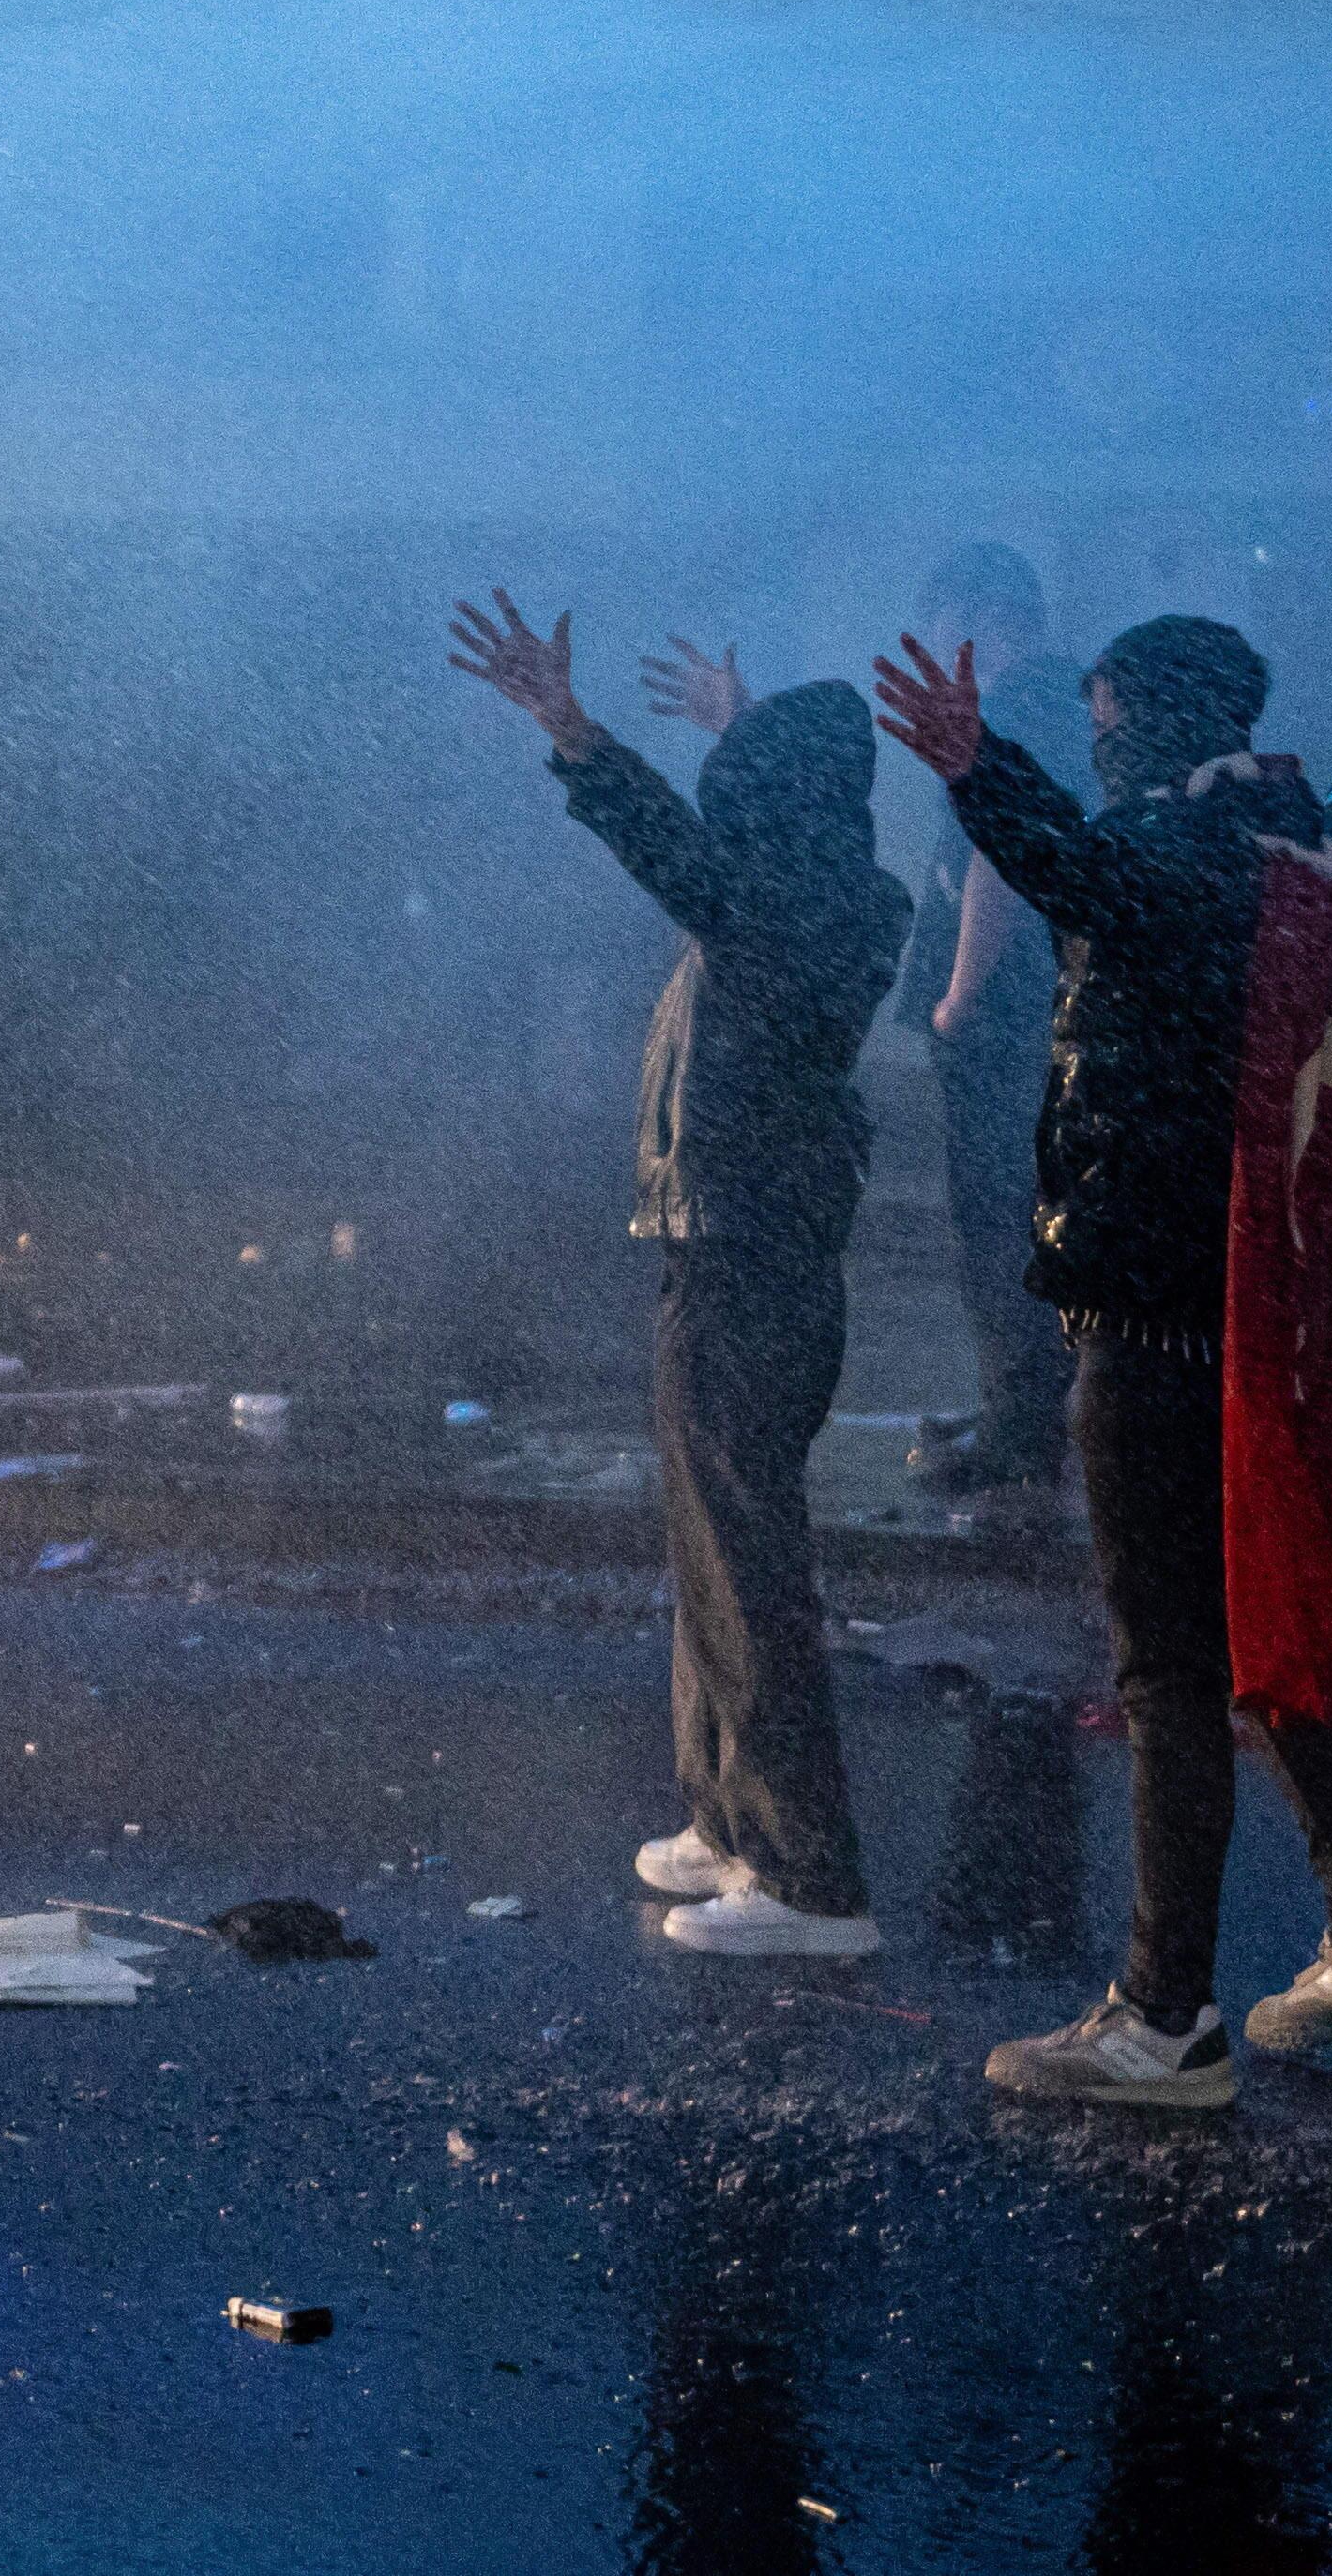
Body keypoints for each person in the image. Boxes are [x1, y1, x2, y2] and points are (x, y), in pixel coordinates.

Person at [877, 618, 1332, 2105]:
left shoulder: (1186, 855)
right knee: (1253, 1630)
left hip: (1155, 1306)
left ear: (1145, 717)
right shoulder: (1302, 839)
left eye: (1101, 719)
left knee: (1169, 1670)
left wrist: (976, 771)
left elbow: (1089, 879)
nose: (1097, 742)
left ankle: (1165, 2014)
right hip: (1262, 1298)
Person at [448, 594, 906, 1959]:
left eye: (748, 783)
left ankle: (812, 1878)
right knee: (715, 1542)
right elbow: (727, 847)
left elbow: (677, 855)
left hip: (748, 1255)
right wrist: (747, 721)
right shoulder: (828, 877)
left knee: (746, 1552)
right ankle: (728, 1818)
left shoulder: (791, 903)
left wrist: (575, 733)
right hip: (740, 1246)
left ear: (777, 801)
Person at [897, 543, 1081, 1502]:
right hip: (1044, 1011)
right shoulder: (1064, 704)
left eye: (938, 620)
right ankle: (1024, 1410)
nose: (931, 644)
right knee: (1024, 1209)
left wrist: (957, 997)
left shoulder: (1014, 709)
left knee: (997, 1213)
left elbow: (995, 857)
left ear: (975, 614)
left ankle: (1019, 1426)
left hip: (1006, 1016)